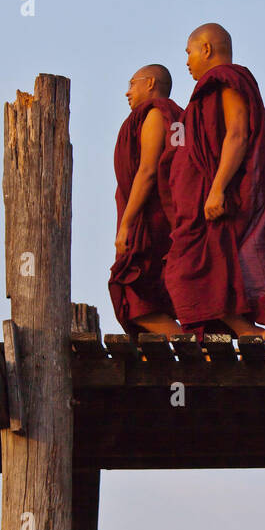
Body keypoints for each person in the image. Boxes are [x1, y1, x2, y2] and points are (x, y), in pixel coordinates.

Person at [164, 24, 265, 340]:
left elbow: (237, 133)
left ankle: (247, 331)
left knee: (190, 269)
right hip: (201, 199)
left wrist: (217, 189)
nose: (187, 61)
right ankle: (239, 331)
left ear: (205, 49)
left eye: (188, 52)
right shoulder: (205, 93)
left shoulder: (226, 80)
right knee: (200, 267)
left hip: (221, 194)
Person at [109, 64, 185, 338]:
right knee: (151, 289)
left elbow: (148, 169)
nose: (127, 92)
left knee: (131, 288)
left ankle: (183, 340)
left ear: (150, 83)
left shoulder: (155, 114)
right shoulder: (176, 116)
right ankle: (162, 349)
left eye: (132, 84)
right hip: (159, 215)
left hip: (151, 217)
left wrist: (127, 224)